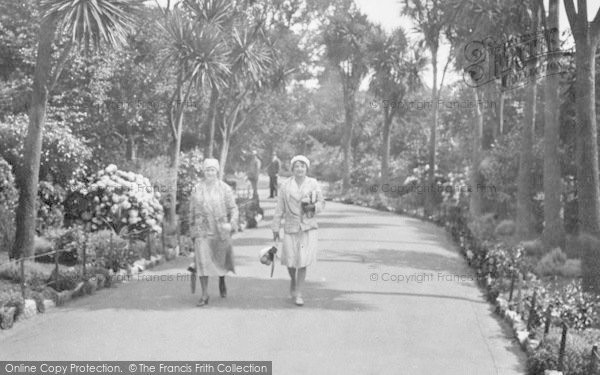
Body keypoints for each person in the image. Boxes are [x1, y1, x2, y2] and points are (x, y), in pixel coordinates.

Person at [271, 155, 325, 306]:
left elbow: (322, 203)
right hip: (291, 227)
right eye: (296, 166)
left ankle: (299, 292)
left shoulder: (313, 183)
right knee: (289, 260)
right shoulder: (285, 185)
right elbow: (279, 208)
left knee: (302, 260)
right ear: (292, 169)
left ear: (306, 169)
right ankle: (293, 280)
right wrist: (275, 227)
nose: (299, 169)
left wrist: (313, 207)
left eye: (302, 166)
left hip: (306, 228)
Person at [189, 158, 239, 306]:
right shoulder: (197, 188)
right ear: (203, 172)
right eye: (207, 170)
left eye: (212, 170)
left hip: (220, 230)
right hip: (202, 230)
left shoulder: (224, 188)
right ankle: (204, 294)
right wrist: (191, 231)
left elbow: (233, 209)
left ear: (217, 172)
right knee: (202, 263)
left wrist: (231, 224)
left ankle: (221, 278)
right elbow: (191, 210)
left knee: (220, 261)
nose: (210, 173)